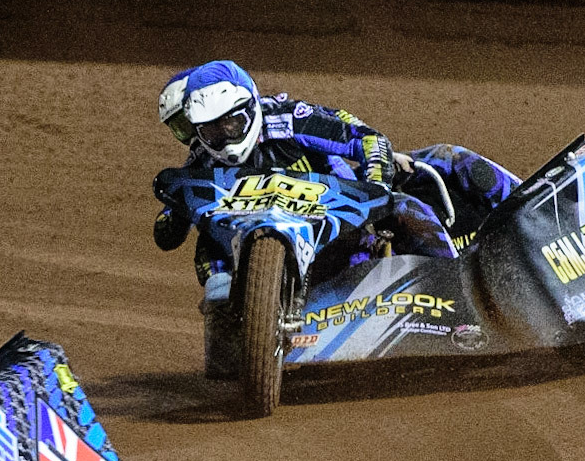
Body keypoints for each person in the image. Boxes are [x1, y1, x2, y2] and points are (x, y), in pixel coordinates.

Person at [150, 60, 457, 294]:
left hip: (339, 223)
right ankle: (229, 319)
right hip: (264, 247)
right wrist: (179, 211)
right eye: (211, 131)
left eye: (231, 125)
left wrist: (376, 186)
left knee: (405, 208)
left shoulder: (289, 119)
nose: (224, 137)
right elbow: (166, 235)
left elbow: (369, 140)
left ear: (251, 108)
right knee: (208, 244)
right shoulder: (201, 157)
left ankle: (455, 292)